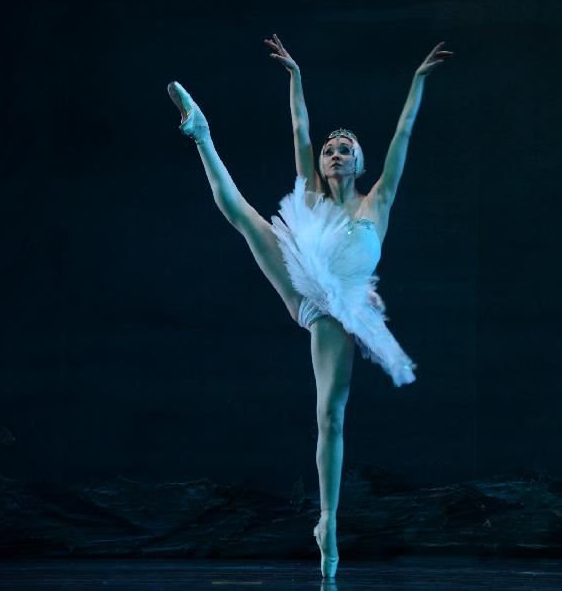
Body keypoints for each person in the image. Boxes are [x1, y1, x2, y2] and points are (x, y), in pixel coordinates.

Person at [167, 34, 451, 578]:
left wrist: (416, 80)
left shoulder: (378, 201)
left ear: (361, 162)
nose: (334, 153)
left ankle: (328, 522)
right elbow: (299, 128)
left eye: (344, 149)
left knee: (330, 416)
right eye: (329, 150)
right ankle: (201, 134)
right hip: (301, 279)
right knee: (243, 216)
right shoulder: (313, 193)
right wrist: (295, 76)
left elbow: (404, 133)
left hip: (337, 308)